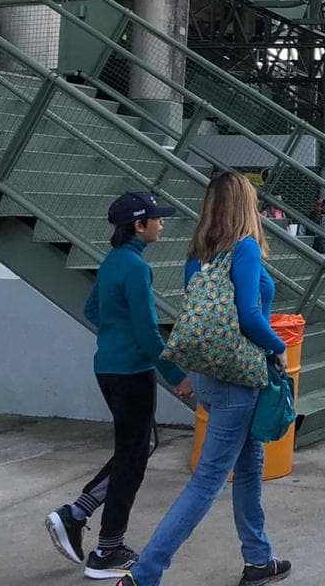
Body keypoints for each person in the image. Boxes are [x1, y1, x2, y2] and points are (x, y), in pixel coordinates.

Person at [116, 173, 289, 586]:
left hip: (211, 377)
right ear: (244, 206)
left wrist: (194, 373)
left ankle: (258, 559)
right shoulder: (245, 249)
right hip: (239, 378)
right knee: (209, 478)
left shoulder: (198, 254)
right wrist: (276, 345)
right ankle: (144, 574)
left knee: (249, 467)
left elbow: (200, 323)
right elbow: (248, 316)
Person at [46, 192, 191, 581]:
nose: (162, 223)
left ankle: (79, 518)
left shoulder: (113, 262)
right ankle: (102, 544)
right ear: (138, 227)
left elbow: (93, 309)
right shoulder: (136, 268)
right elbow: (147, 332)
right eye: (156, 219)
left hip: (108, 369)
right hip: (131, 374)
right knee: (134, 454)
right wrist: (178, 379)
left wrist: (114, 337)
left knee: (136, 449)